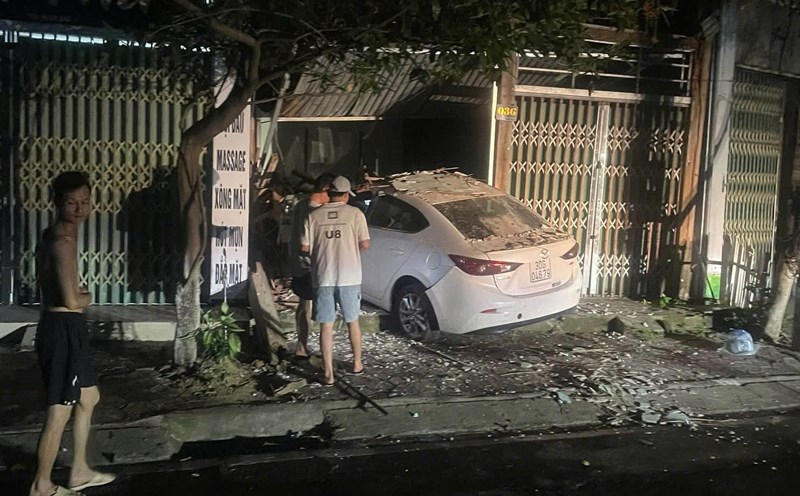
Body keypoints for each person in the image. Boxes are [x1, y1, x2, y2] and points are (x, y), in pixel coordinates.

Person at [30, 171, 115, 496]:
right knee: (60, 410)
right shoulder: (63, 241)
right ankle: (42, 485)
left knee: (89, 397)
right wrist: (87, 297)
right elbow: (70, 299)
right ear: (57, 203)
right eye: (71, 202)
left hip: (66, 329)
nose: (79, 209)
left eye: (85, 202)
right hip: (63, 329)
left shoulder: (55, 234)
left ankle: (79, 471)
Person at [301, 176, 371, 386]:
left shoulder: (313, 216)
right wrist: (351, 252)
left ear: (329, 193)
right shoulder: (356, 214)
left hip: (323, 277)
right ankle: (357, 363)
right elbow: (365, 243)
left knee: (326, 326)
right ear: (347, 195)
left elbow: (304, 248)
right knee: (352, 322)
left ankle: (329, 374)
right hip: (349, 277)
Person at [289, 172, 335, 358]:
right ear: (326, 189)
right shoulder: (317, 211)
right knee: (324, 310)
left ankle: (302, 346)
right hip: (314, 265)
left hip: (299, 265)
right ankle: (326, 358)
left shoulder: (300, 205)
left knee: (303, 305)